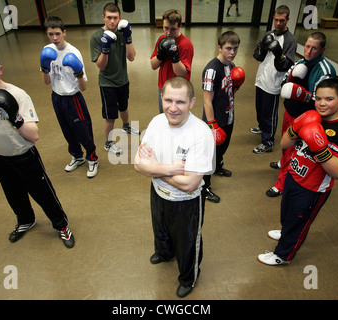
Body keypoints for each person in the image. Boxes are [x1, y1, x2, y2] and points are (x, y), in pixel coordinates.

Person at [0, 49, 75, 248]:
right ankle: (26, 220)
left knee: (43, 194)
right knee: (14, 195)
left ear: (0, 70)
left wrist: (14, 117)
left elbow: (34, 135)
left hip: (25, 156)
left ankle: (61, 225)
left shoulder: (17, 95)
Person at [258, 78, 338, 265]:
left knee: (299, 223)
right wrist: (297, 126)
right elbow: (285, 144)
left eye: (329, 99)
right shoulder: (311, 116)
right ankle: (286, 231)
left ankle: (283, 255)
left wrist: (319, 148)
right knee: (287, 214)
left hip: (313, 190)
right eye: (318, 99)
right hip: (293, 177)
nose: (321, 104)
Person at [134, 77, 215, 298]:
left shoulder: (201, 134)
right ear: (161, 98)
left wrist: (154, 169)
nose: (173, 107)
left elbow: (190, 184)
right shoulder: (156, 121)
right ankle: (164, 252)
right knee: (160, 229)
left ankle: (189, 278)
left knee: (188, 244)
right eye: (168, 100)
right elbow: (137, 164)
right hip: (158, 192)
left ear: (192, 102)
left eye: (180, 102)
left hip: (186, 203)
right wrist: (171, 169)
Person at [266, 32, 336, 197]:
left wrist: (303, 94)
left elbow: (322, 102)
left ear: (322, 49)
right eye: (307, 46)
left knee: (294, 150)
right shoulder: (301, 63)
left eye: (314, 48)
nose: (309, 51)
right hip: (290, 113)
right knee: (285, 144)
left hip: (305, 118)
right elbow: (285, 84)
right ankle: (283, 162)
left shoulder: (324, 70)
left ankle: (281, 185)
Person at [40, 16, 98, 178]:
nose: (55, 38)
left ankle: (92, 159)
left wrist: (78, 73)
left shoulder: (74, 53)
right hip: (57, 97)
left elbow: (84, 87)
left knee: (83, 130)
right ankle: (77, 156)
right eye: (51, 34)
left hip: (73, 99)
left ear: (64, 32)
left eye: (57, 33)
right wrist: (44, 67)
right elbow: (46, 82)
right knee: (67, 131)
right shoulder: (47, 52)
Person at [201, 31, 244, 203]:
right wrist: (213, 125)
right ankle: (204, 187)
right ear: (219, 47)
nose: (232, 52)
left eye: (235, 48)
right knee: (208, 156)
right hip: (215, 120)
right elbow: (206, 101)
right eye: (228, 48)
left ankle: (218, 166)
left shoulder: (232, 66)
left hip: (228, 116)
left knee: (223, 148)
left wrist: (237, 86)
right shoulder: (212, 69)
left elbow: (229, 92)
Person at [90, 2, 138, 156]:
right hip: (107, 83)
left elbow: (131, 57)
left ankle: (126, 126)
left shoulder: (122, 32)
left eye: (115, 18)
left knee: (124, 106)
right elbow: (101, 66)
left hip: (123, 79)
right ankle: (108, 143)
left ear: (120, 18)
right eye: (109, 18)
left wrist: (128, 38)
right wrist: (105, 48)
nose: (112, 21)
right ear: (103, 17)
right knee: (110, 115)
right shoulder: (96, 37)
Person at [251, 5, 297, 154]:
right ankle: (262, 127)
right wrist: (263, 48)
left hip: (273, 83)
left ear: (287, 20)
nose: (278, 23)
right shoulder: (269, 34)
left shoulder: (290, 40)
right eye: (276, 20)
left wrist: (279, 54)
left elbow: (286, 66)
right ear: (273, 18)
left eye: (282, 21)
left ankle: (268, 141)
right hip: (261, 79)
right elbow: (256, 55)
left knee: (269, 113)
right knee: (260, 108)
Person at [150, 9, 194, 113]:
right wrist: (160, 54)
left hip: (179, 91)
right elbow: (153, 65)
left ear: (180, 26)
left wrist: (174, 55)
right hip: (163, 88)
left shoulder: (186, 45)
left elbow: (181, 74)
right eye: (166, 28)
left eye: (173, 29)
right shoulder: (162, 39)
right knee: (164, 118)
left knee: (177, 121)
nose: (169, 32)